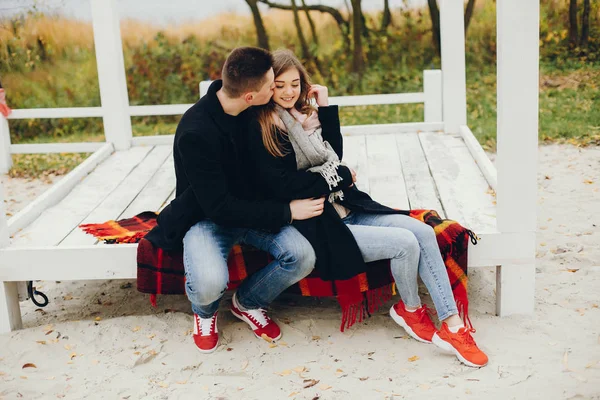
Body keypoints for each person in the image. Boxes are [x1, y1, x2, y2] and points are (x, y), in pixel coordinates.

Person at [246, 49, 488, 368]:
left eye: (295, 83)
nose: (289, 91)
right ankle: (412, 309)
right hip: (321, 222)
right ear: (267, 86)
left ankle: (452, 324)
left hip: (348, 205)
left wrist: (326, 106)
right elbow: (292, 183)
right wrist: (339, 176)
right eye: (280, 85)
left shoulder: (302, 117)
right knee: (405, 244)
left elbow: (335, 154)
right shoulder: (268, 126)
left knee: (423, 233)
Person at [145, 47, 327, 354]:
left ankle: (248, 302)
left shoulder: (252, 109)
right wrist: (287, 211)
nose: (276, 89)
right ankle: (204, 313)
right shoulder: (196, 132)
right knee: (209, 284)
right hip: (208, 217)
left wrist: (323, 108)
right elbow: (220, 208)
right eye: (272, 85)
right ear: (249, 96)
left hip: (253, 209)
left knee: (302, 256)